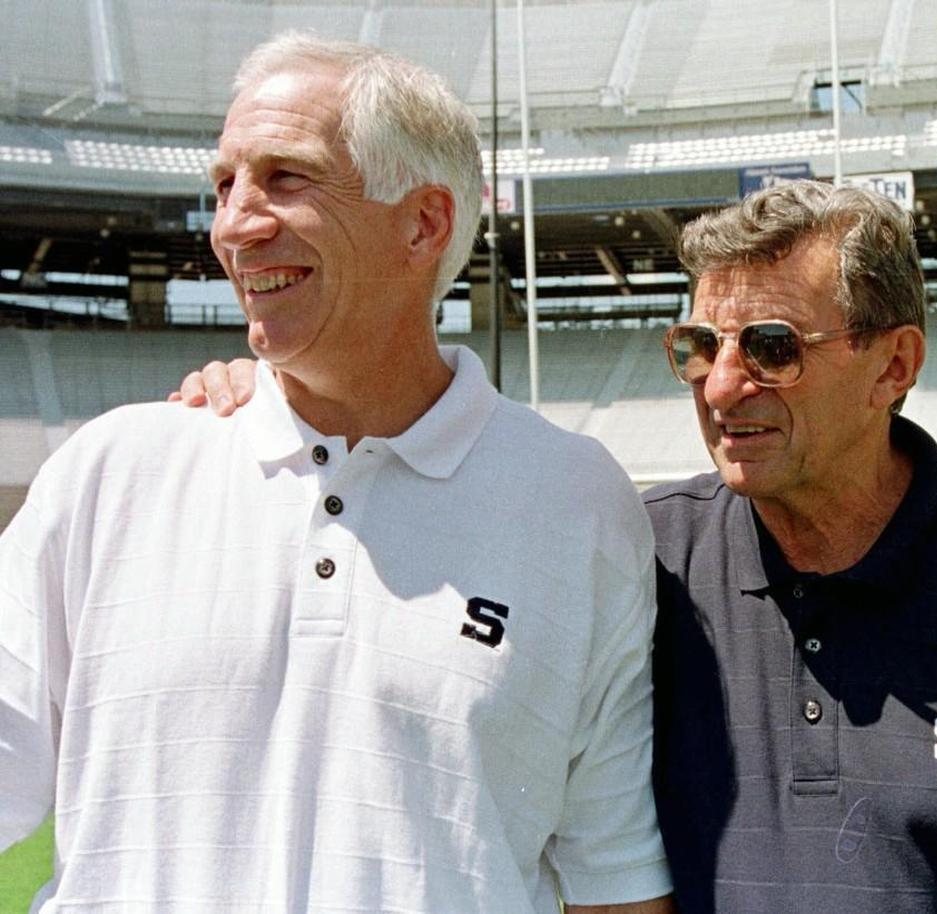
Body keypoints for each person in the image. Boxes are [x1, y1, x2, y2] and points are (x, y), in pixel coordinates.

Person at [174, 182, 937, 913]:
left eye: (770, 348)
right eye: (695, 348)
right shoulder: (646, 551)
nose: (720, 389)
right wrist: (271, 403)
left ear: (894, 363)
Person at [0, 33, 674, 913]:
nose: (235, 224)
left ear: (423, 222)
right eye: (225, 184)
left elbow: (613, 880)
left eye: (286, 177)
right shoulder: (111, 471)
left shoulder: (579, 505)